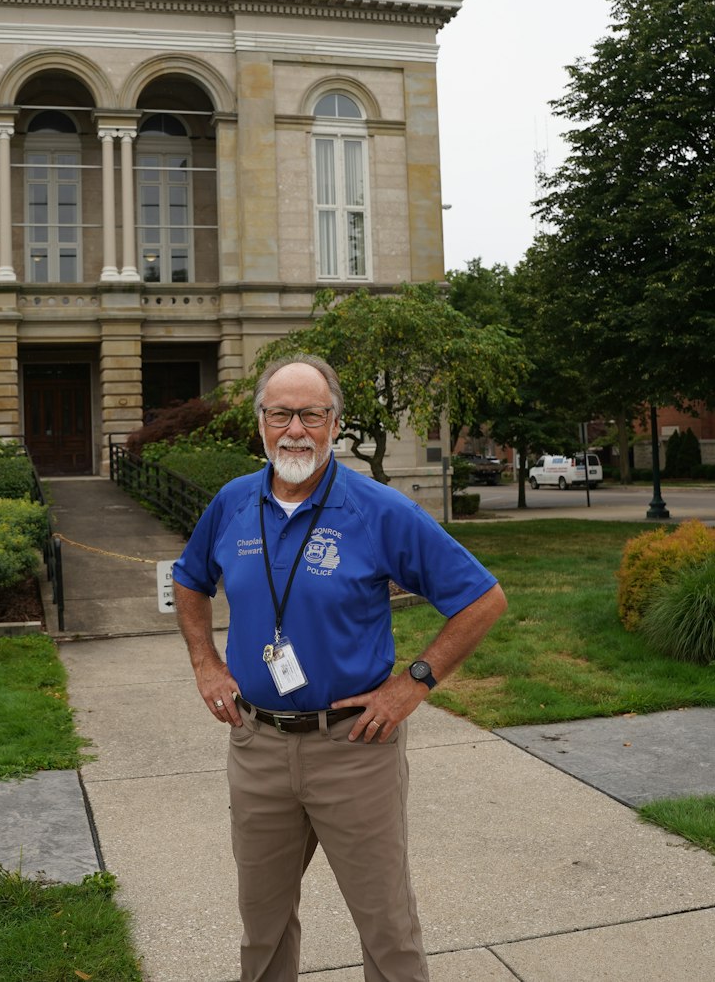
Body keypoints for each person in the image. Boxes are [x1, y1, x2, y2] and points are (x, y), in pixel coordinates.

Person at [171, 353, 507, 982]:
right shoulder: (233, 502)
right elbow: (190, 579)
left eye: (311, 414)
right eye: (280, 414)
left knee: (387, 928)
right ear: (260, 422)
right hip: (258, 743)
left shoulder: (378, 510)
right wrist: (205, 664)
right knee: (261, 926)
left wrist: (413, 685)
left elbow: (482, 599)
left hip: (354, 747)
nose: (295, 429)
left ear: (334, 422)